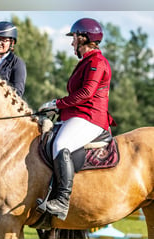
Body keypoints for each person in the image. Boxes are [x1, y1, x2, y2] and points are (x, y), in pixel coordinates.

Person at [36, 18, 116, 220]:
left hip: (91, 118)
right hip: (77, 116)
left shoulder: (97, 62)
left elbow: (87, 92)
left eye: (74, 38)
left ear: (83, 38)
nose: (72, 42)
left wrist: (57, 103)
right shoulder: (85, 62)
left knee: (61, 144)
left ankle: (62, 200)